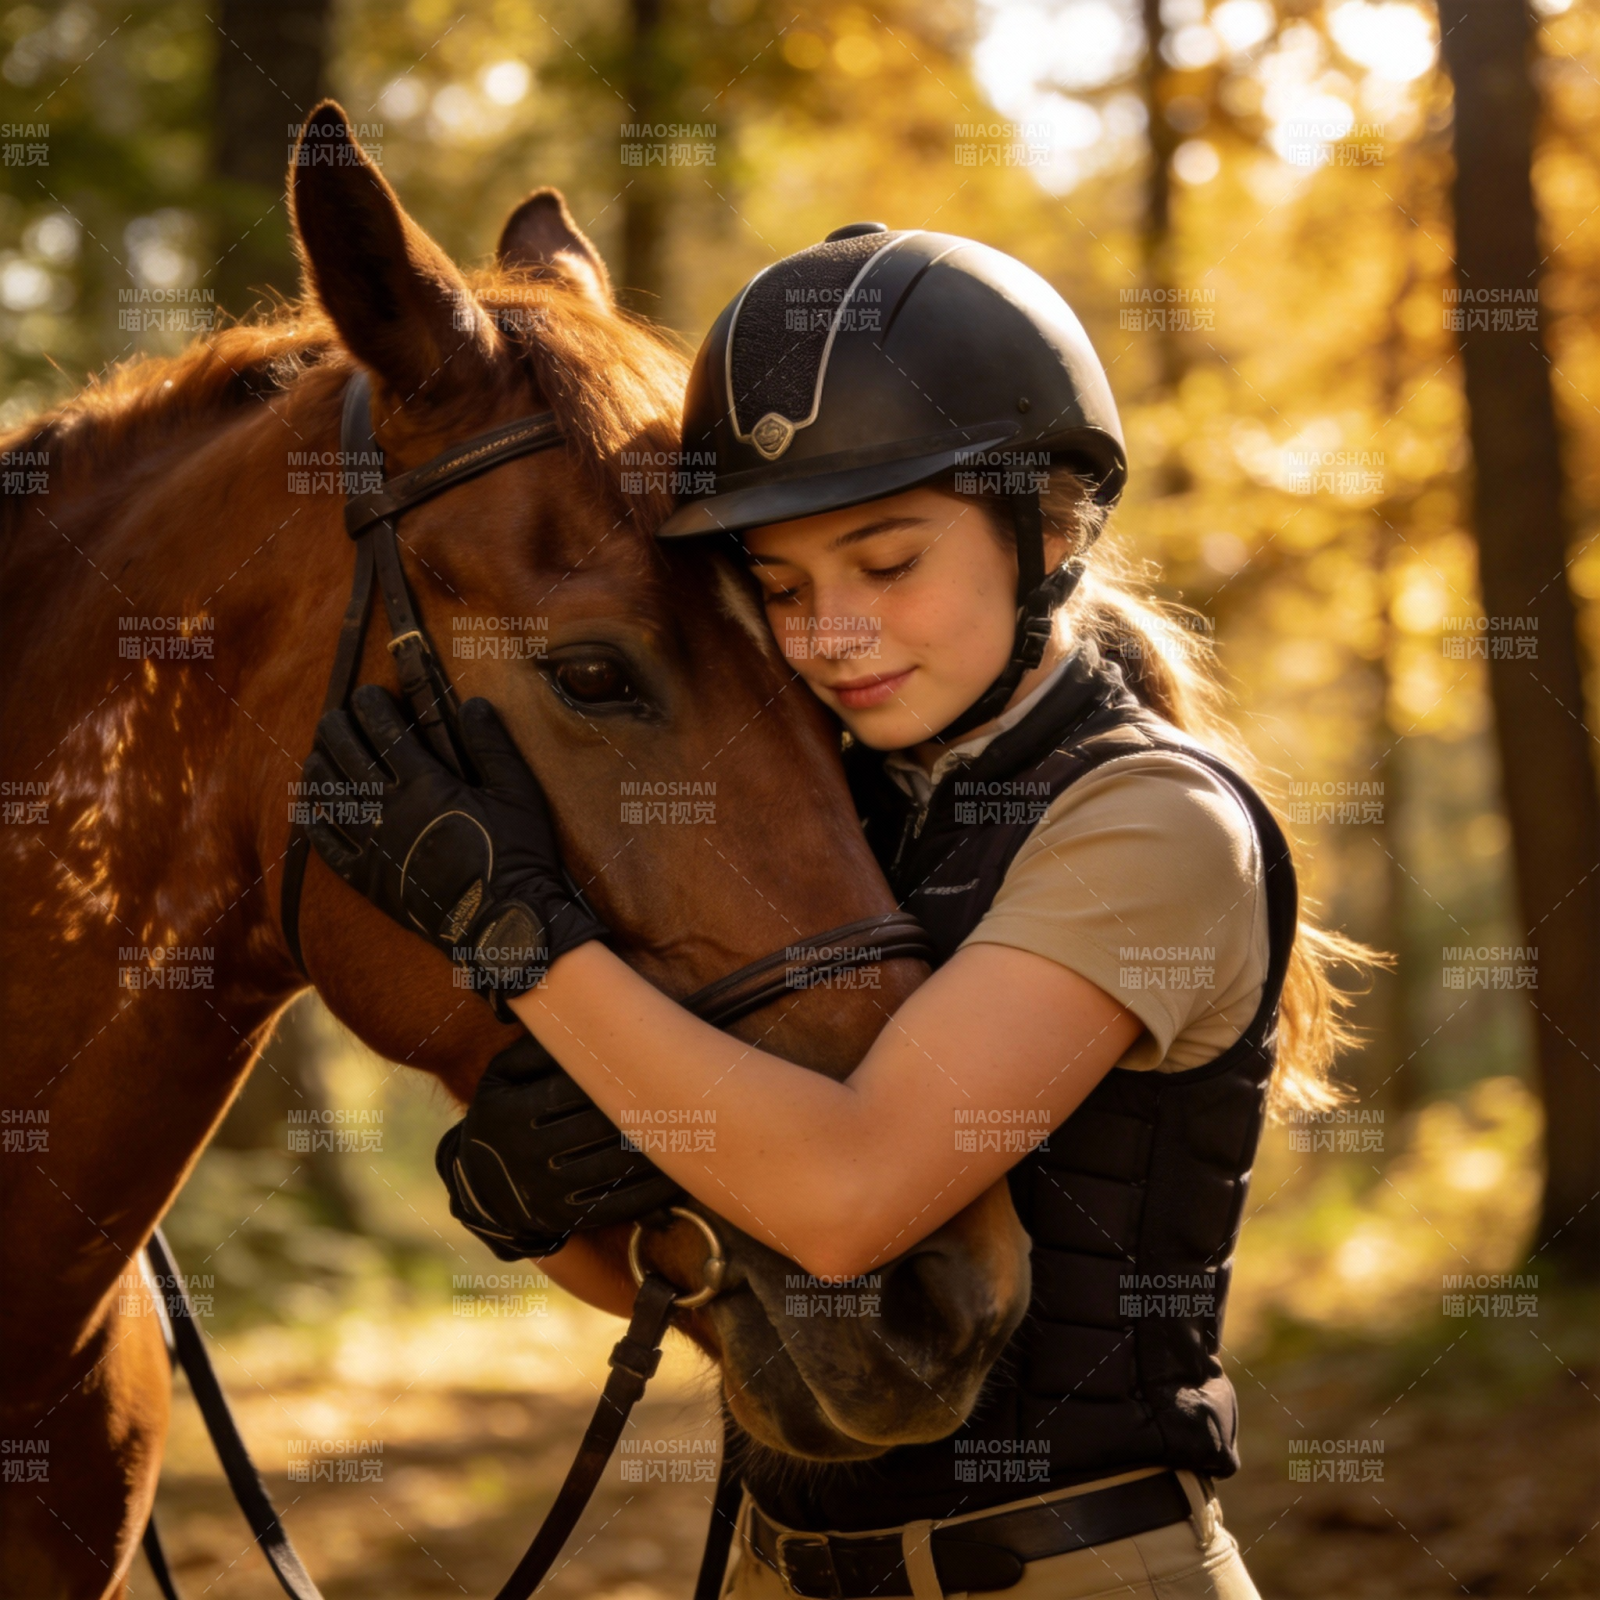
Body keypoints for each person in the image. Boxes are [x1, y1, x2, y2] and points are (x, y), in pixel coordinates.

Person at [305, 224, 1362, 1598]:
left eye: (887, 563)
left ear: (1042, 533)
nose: (831, 634)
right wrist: (558, 1213)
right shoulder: (844, 817)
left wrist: (514, 943)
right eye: (786, 588)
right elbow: (720, 1281)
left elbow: (852, 1197)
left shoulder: (1153, 824)